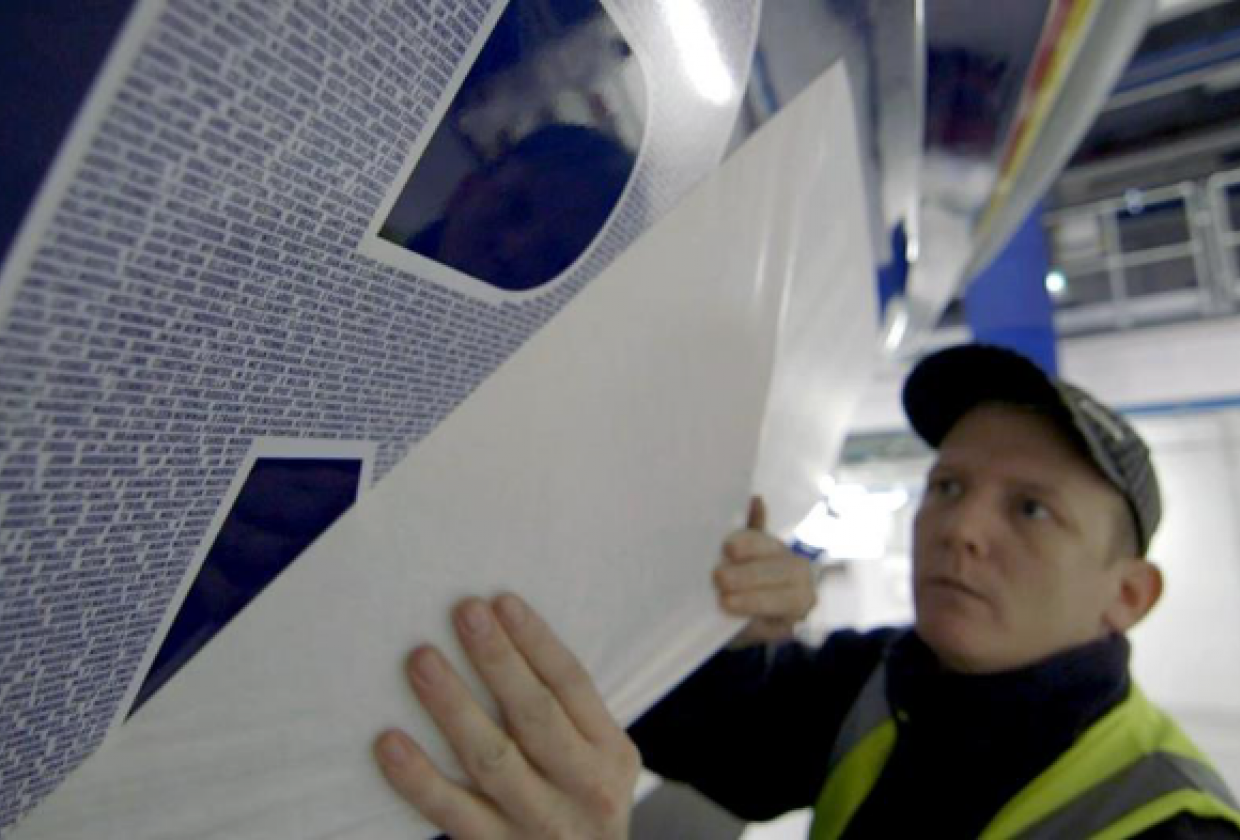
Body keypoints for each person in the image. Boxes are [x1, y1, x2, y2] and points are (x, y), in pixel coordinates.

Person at [371, 343, 1240, 838]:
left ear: (1128, 595)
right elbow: (723, 745)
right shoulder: (894, 674)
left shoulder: (1169, 824)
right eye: (947, 487)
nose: (961, 527)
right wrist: (723, 618)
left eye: (1031, 508)